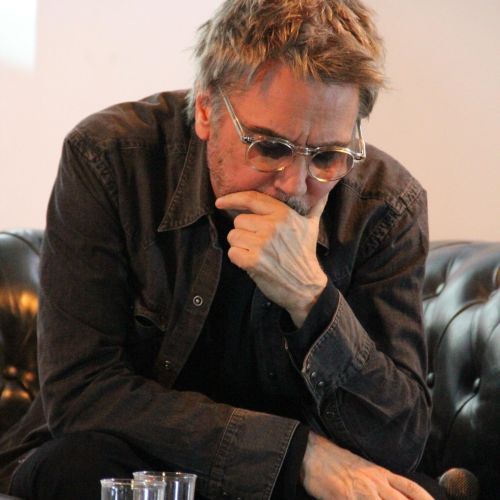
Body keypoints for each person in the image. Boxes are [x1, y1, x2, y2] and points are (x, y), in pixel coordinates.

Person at [0, 0, 442, 498]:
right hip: (141, 457)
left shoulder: (387, 205)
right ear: (208, 109)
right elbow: (82, 392)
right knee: (85, 470)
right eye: (270, 147)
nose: (294, 185)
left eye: (327, 156)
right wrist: (296, 455)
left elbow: (399, 440)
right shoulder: (110, 158)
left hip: (301, 486)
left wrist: (311, 299)